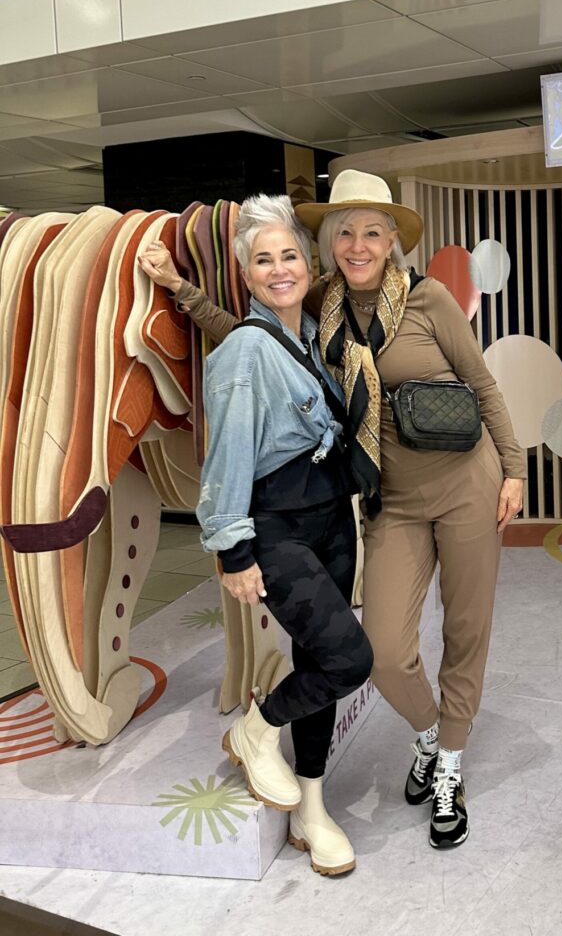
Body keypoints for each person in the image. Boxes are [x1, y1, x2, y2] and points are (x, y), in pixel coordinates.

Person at [142, 170, 526, 850]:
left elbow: (482, 385)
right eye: (343, 231)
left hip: (467, 480)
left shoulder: (430, 300)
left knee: (466, 629)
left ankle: (450, 766)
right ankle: (431, 734)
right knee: (382, 653)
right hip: (391, 499)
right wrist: (181, 291)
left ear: (390, 241)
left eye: (371, 231)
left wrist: (515, 469)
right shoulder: (323, 303)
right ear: (326, 244)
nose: (357, 243)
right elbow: (255, 339)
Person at [151, 195, 373, 876]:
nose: (279, 269)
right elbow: (227, 461)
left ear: (307, 265)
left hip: (333, 514)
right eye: (262, 260)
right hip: (278, 528)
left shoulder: (311, 332)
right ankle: (255, 729)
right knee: (348, 660)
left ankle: (311, 806)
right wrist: (235, 550)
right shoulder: (245, 350)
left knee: (318, 666)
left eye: (289, 256)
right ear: (246, 275)